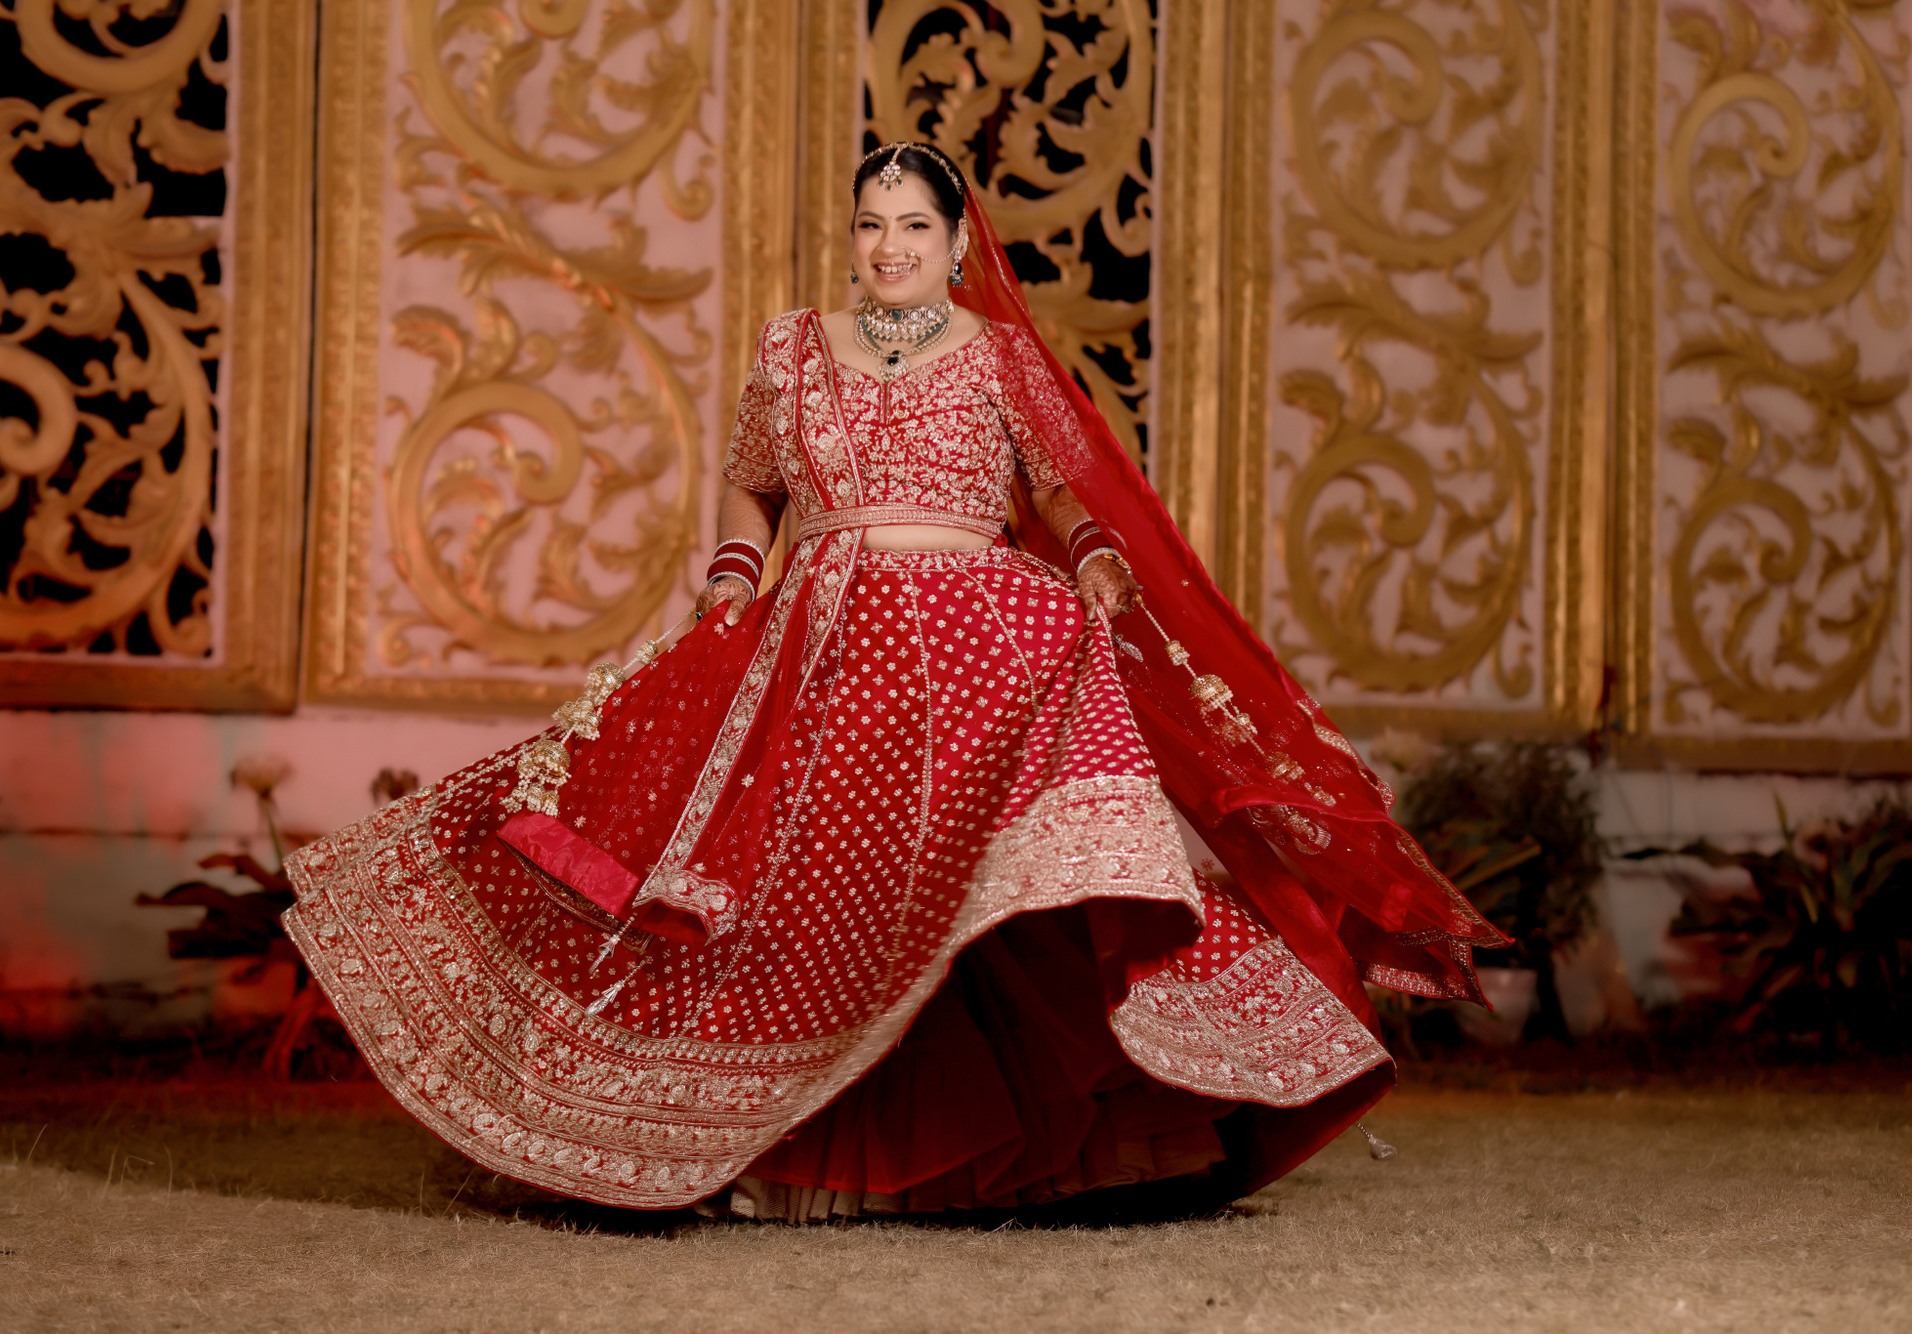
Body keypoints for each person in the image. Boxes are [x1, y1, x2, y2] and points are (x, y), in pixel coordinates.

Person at [284, 142, 1500, 1222]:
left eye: (913, 224)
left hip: (979, 644)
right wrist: (729, 579)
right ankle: (773, 1151)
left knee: (978, 900)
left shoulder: (1000, 357)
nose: (888, 244)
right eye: (870, 222)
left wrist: (1091, 560)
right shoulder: (791, 346)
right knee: (819, 900)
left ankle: (1066, 1145)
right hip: (825, 647)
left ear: (956, 242)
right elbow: (754, 483)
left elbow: (1056, 490)